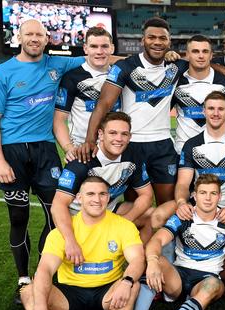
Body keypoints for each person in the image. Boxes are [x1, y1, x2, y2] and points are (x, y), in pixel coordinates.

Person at [0, 19, 86, 303]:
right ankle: (23, 278)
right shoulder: (2, 74)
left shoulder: (57, 65)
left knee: (55, 215)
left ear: (47, 39)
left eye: (39, 35)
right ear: (19, 38)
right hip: (13, 153)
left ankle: (45, 272)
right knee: (18, 217)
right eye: (28, 34)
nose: (34, 38)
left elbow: (98, 55)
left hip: (45, 151)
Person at [20, 176, 145, 310]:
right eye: (91, 194)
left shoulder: (123, 226)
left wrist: (126, 282)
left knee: (133, 284)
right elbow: (44, 269)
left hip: (107, 294)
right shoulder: (64, 231)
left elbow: (137, 260)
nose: (97, 199)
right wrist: (39, 307)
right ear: (79, 198)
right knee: (28, 290)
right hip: (69, 295)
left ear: (108, 197)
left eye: (102, 194)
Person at [117, 174, 225, 310]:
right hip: (178, 277)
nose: (208, 198)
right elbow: (157, 240)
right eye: (203, 193)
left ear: (220, 197)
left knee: (214, 285)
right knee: (154, 259)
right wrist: (152, 262)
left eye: (213, 193)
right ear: (194, 195)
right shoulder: (184, 215)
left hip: (207, 279)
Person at [79, 17, 189, 205]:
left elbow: (208, 65)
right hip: (131, 145)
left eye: (162, 38)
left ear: (169, 42)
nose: (157, 42)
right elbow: (103, 104)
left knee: (168, 205)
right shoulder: (126, 67)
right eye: (151, 37)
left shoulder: (176, 67)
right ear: (142, 40)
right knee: (135, 208)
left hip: (163, 145)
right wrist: (90, 140)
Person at [151, 91, 225, 274]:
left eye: (221, 109)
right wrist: (182, 203)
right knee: (159, 215)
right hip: (202, 202)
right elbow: (183, 183)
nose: (216, 113)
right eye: (211, 108)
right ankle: (169, 269)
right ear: (203, 111)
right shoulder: (192, 145)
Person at [51, 112, 153, 266]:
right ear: (101, 134)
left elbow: (146, 195)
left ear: (130, 137)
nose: (119, 139)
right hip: (79, 215)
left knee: (149, 215)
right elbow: (58, 205)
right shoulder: (81, 159)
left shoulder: (134, 154)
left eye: (124, 134)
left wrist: (125, 222)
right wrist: (70, 241)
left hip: (108, 210)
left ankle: (132, 264)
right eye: (112, 133)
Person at [173, 34, 225, 154]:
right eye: (195, 51)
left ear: (211, 55)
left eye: (205, 51)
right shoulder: (176, 82)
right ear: (187, 55)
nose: (200, 56)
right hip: (182, 151)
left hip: (216, 153)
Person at [53, 27, 117, 150]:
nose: (99, 51)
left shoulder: (121, 74)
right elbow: (59, 120)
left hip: (115, 149)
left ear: (112, 48)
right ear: (85, 48)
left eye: (104, 46)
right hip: (83, 149)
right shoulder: (72, 77)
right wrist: (69, 148)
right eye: (94, 46)